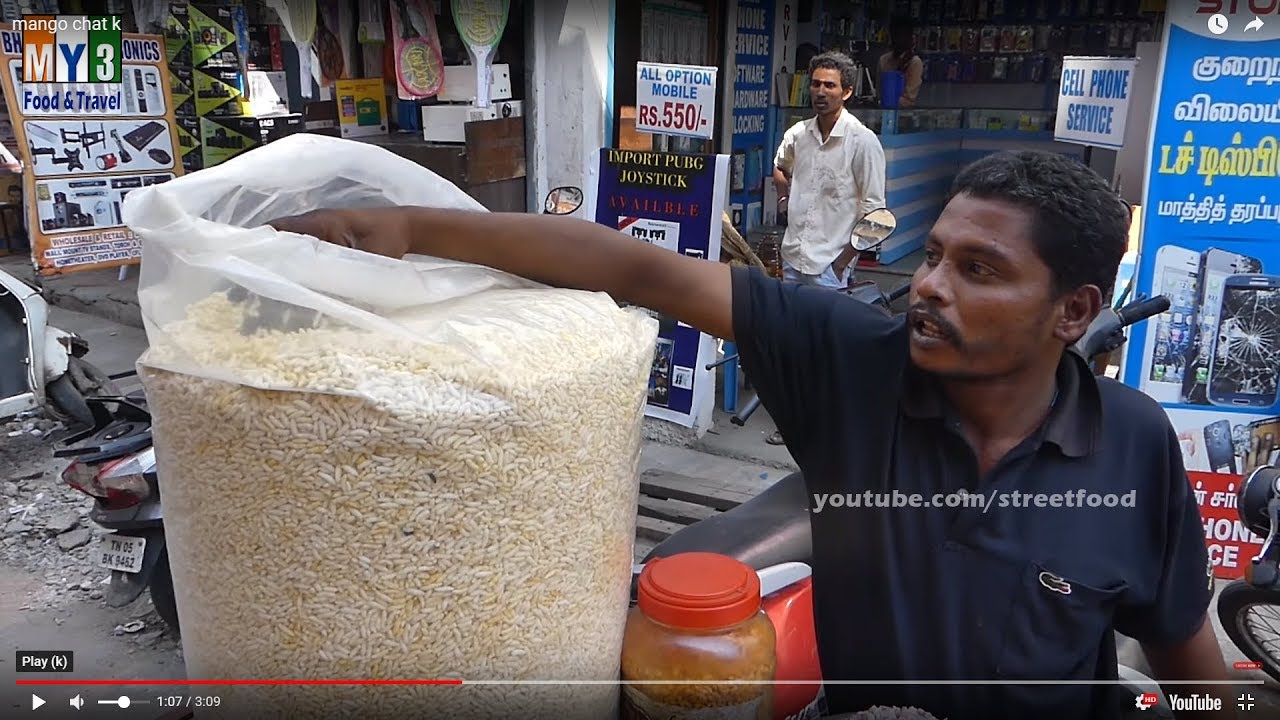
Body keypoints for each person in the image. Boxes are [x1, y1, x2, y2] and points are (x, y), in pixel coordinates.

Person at [267, 151, 1233, 720]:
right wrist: (397, 222)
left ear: (1074, 311)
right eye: (934, 254)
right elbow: (644, 272)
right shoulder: (857, 359)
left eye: (980, 270)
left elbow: (1187, 653)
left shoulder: (1135, 446)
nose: (932, 286)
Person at [772, 51, 886, 292]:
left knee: (824, 331)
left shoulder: (862, 142)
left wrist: (841, 263)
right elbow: (780, 166)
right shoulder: (798, 134)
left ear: (846, 92)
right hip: (793, 260)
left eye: (829, 85)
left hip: (830, 270)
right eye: (815, 84)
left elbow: (876, 216)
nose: (820, 92)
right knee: (790, 329)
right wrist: (783, 199)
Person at [878, 16, 924, 108]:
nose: (897, 40)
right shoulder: (883, 60)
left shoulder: (914, 62)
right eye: (894, 36)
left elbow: (909, 99)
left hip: (904, 113)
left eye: (901, 36)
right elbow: (878, 90)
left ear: (910, 38)